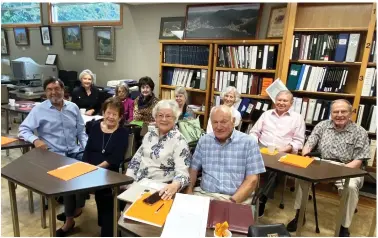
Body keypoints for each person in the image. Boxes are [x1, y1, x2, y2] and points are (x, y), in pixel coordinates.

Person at [286, 99, 370, 237]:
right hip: (321, 163)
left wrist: (337, 173)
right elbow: (309, 143)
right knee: (301, 178)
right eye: (335, 111)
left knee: (350, 187)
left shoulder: (360, 132)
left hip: (347, 167)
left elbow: (359, 160)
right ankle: (299, 215)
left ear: (351, 113)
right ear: (331, 113)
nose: (339, 114)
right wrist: (306, 155)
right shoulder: (322, 125)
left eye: (343, 111)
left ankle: (344, 226)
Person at [18, 77, 88, 236]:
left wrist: (87, 148)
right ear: (45, 92)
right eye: (49, 89)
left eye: (57, 89)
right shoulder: (39, 110)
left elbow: (81, 132)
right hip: (55, 155)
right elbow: (23, 130)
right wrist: (35, 140)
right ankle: (70, 220)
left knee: (91, 170)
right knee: (69, 179)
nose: (53, 92)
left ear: (63, 90)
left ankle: (77, 207)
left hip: (75, 151)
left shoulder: (73, 107)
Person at [187, 105, 266, 204]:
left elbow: (252, 180)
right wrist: (189, 191)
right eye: (215, 122)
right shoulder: (204, 141)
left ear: (233, 121)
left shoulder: (249, 142)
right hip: (205, 195)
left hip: (236, 199)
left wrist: (232, 202)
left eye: (223, 122)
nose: (219, 127)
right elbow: (193, 169)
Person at [249, 90, 305, 217]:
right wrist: (254, 145)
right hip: (262, 148)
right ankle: (246, 193)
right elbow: (254, 132)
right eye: (279, 100)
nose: (281, 103)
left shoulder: (297, 119)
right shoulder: (266, 114)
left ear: (291, 103)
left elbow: (299, 142)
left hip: (283, 151)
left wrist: (285, 149)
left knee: (275, 170)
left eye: (285, 100)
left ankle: (262, 198)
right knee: (247, 162)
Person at [80, 97, 128, 237]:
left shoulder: (122, 133)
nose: (110, 117)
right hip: (90, 168)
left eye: (114, 114)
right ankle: (72, 213)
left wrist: (96, 169)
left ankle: (108, 229)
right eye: (108, 113)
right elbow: (88, 149)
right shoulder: (95, 126)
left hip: (109, 171)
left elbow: (115, 158)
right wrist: (84, 166)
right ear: (103, 112)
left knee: (105, 194)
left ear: (120, 117)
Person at [126, 100, 191, 200]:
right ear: (155, 118)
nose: (164, 119)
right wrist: (128, 180)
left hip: (161, 189)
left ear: (175, 119)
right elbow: (136, 161)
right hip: (138, 184)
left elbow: (183, 174)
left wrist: (174, 186)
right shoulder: (149, 135)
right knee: (125, 213)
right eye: (160, 115)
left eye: (168, 116)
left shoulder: (179, 141)